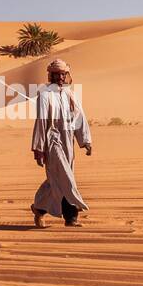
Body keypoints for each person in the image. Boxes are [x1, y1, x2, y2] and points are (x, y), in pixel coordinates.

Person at [30, 59, 92, 227]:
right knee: (66, 178)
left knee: (57, 179)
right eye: (57, 74)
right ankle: (72, 217)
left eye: (63, 74)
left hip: (68, 141)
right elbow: (41, 121)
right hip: (52, 140)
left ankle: (39, 208)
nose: (61, 77)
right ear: (51, 75)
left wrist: (85, 140)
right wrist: (39, 148)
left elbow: (79, 117)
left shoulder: (70, 94)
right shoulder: (44, 94)